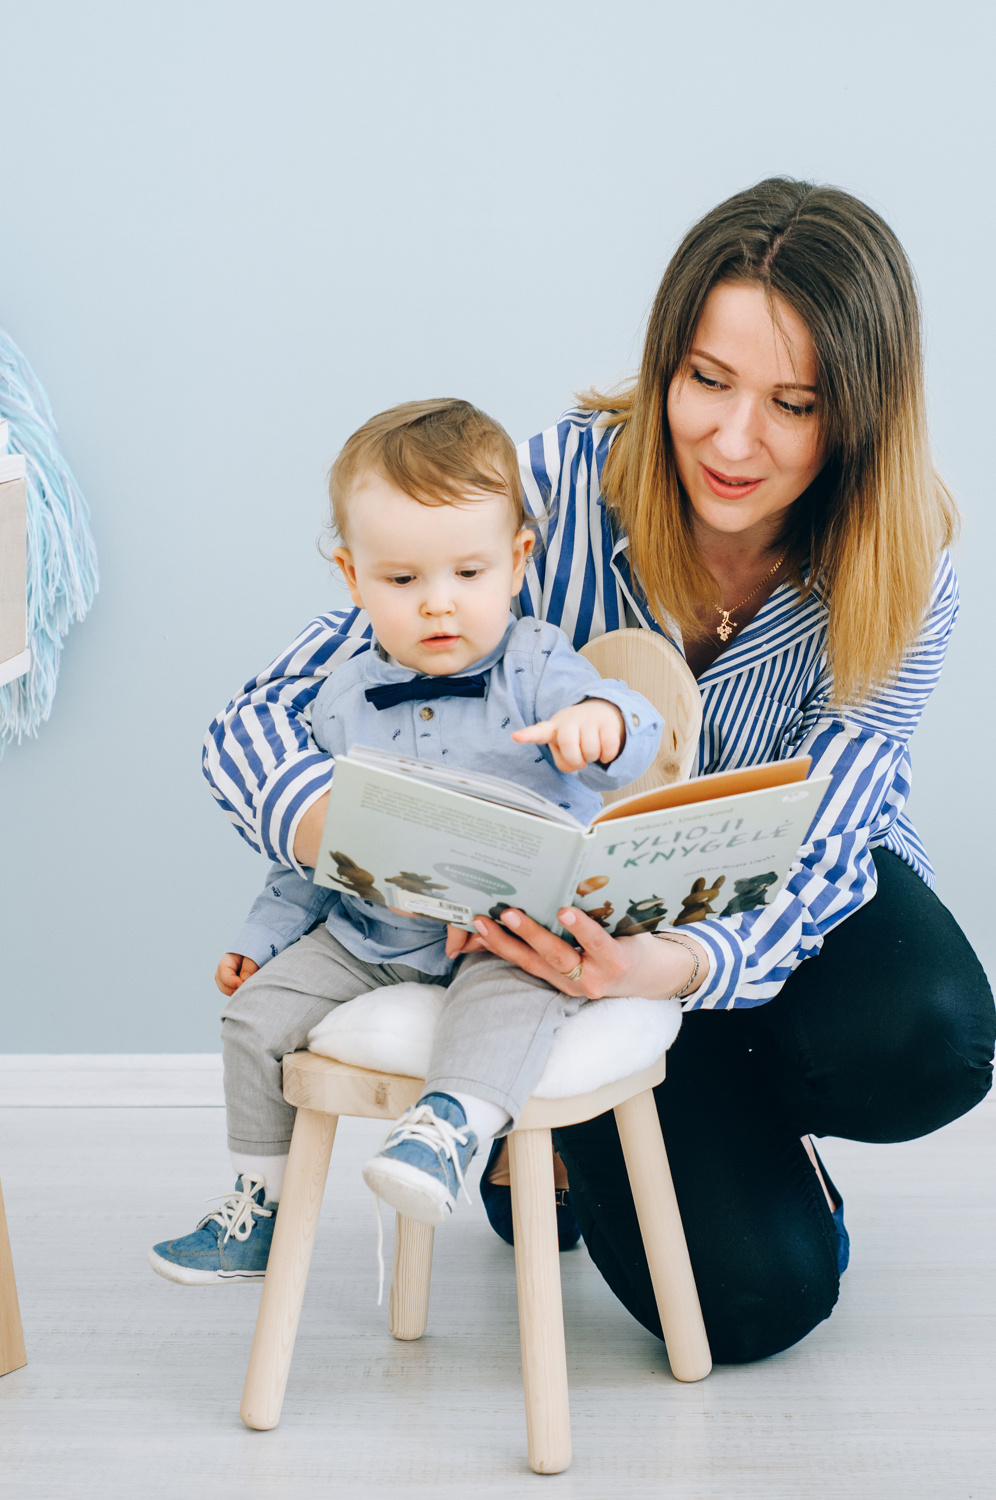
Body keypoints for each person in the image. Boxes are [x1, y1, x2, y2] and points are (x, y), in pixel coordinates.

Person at [200, 179, 995, 1362]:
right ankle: (591, 1131)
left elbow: (839, 821)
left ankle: (658, 1115)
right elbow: (260, 714)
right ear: (665, 361)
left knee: (932, 1038)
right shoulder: (549, 493)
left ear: (860, 417)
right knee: (754, 1309)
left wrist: (675, 963)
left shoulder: (903, 564)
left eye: (794, 404)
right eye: (706, 382)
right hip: (549, 946)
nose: (733, 440)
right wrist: (338, 828)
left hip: (755, 917)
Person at [149, 399, 668, 1285]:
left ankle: (449, 1131)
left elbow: (643, 732)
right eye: (402, 581)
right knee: (254, 1016)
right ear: (354, 579)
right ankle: (256, 1204)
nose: (439, 603)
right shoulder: (343, 698)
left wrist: (600, 722)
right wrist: (262, 939)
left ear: (516, 563)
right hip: (372, 936)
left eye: (469, 572)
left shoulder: (540, 665)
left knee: (508, 1002)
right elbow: (318, 848)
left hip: (506, 938)